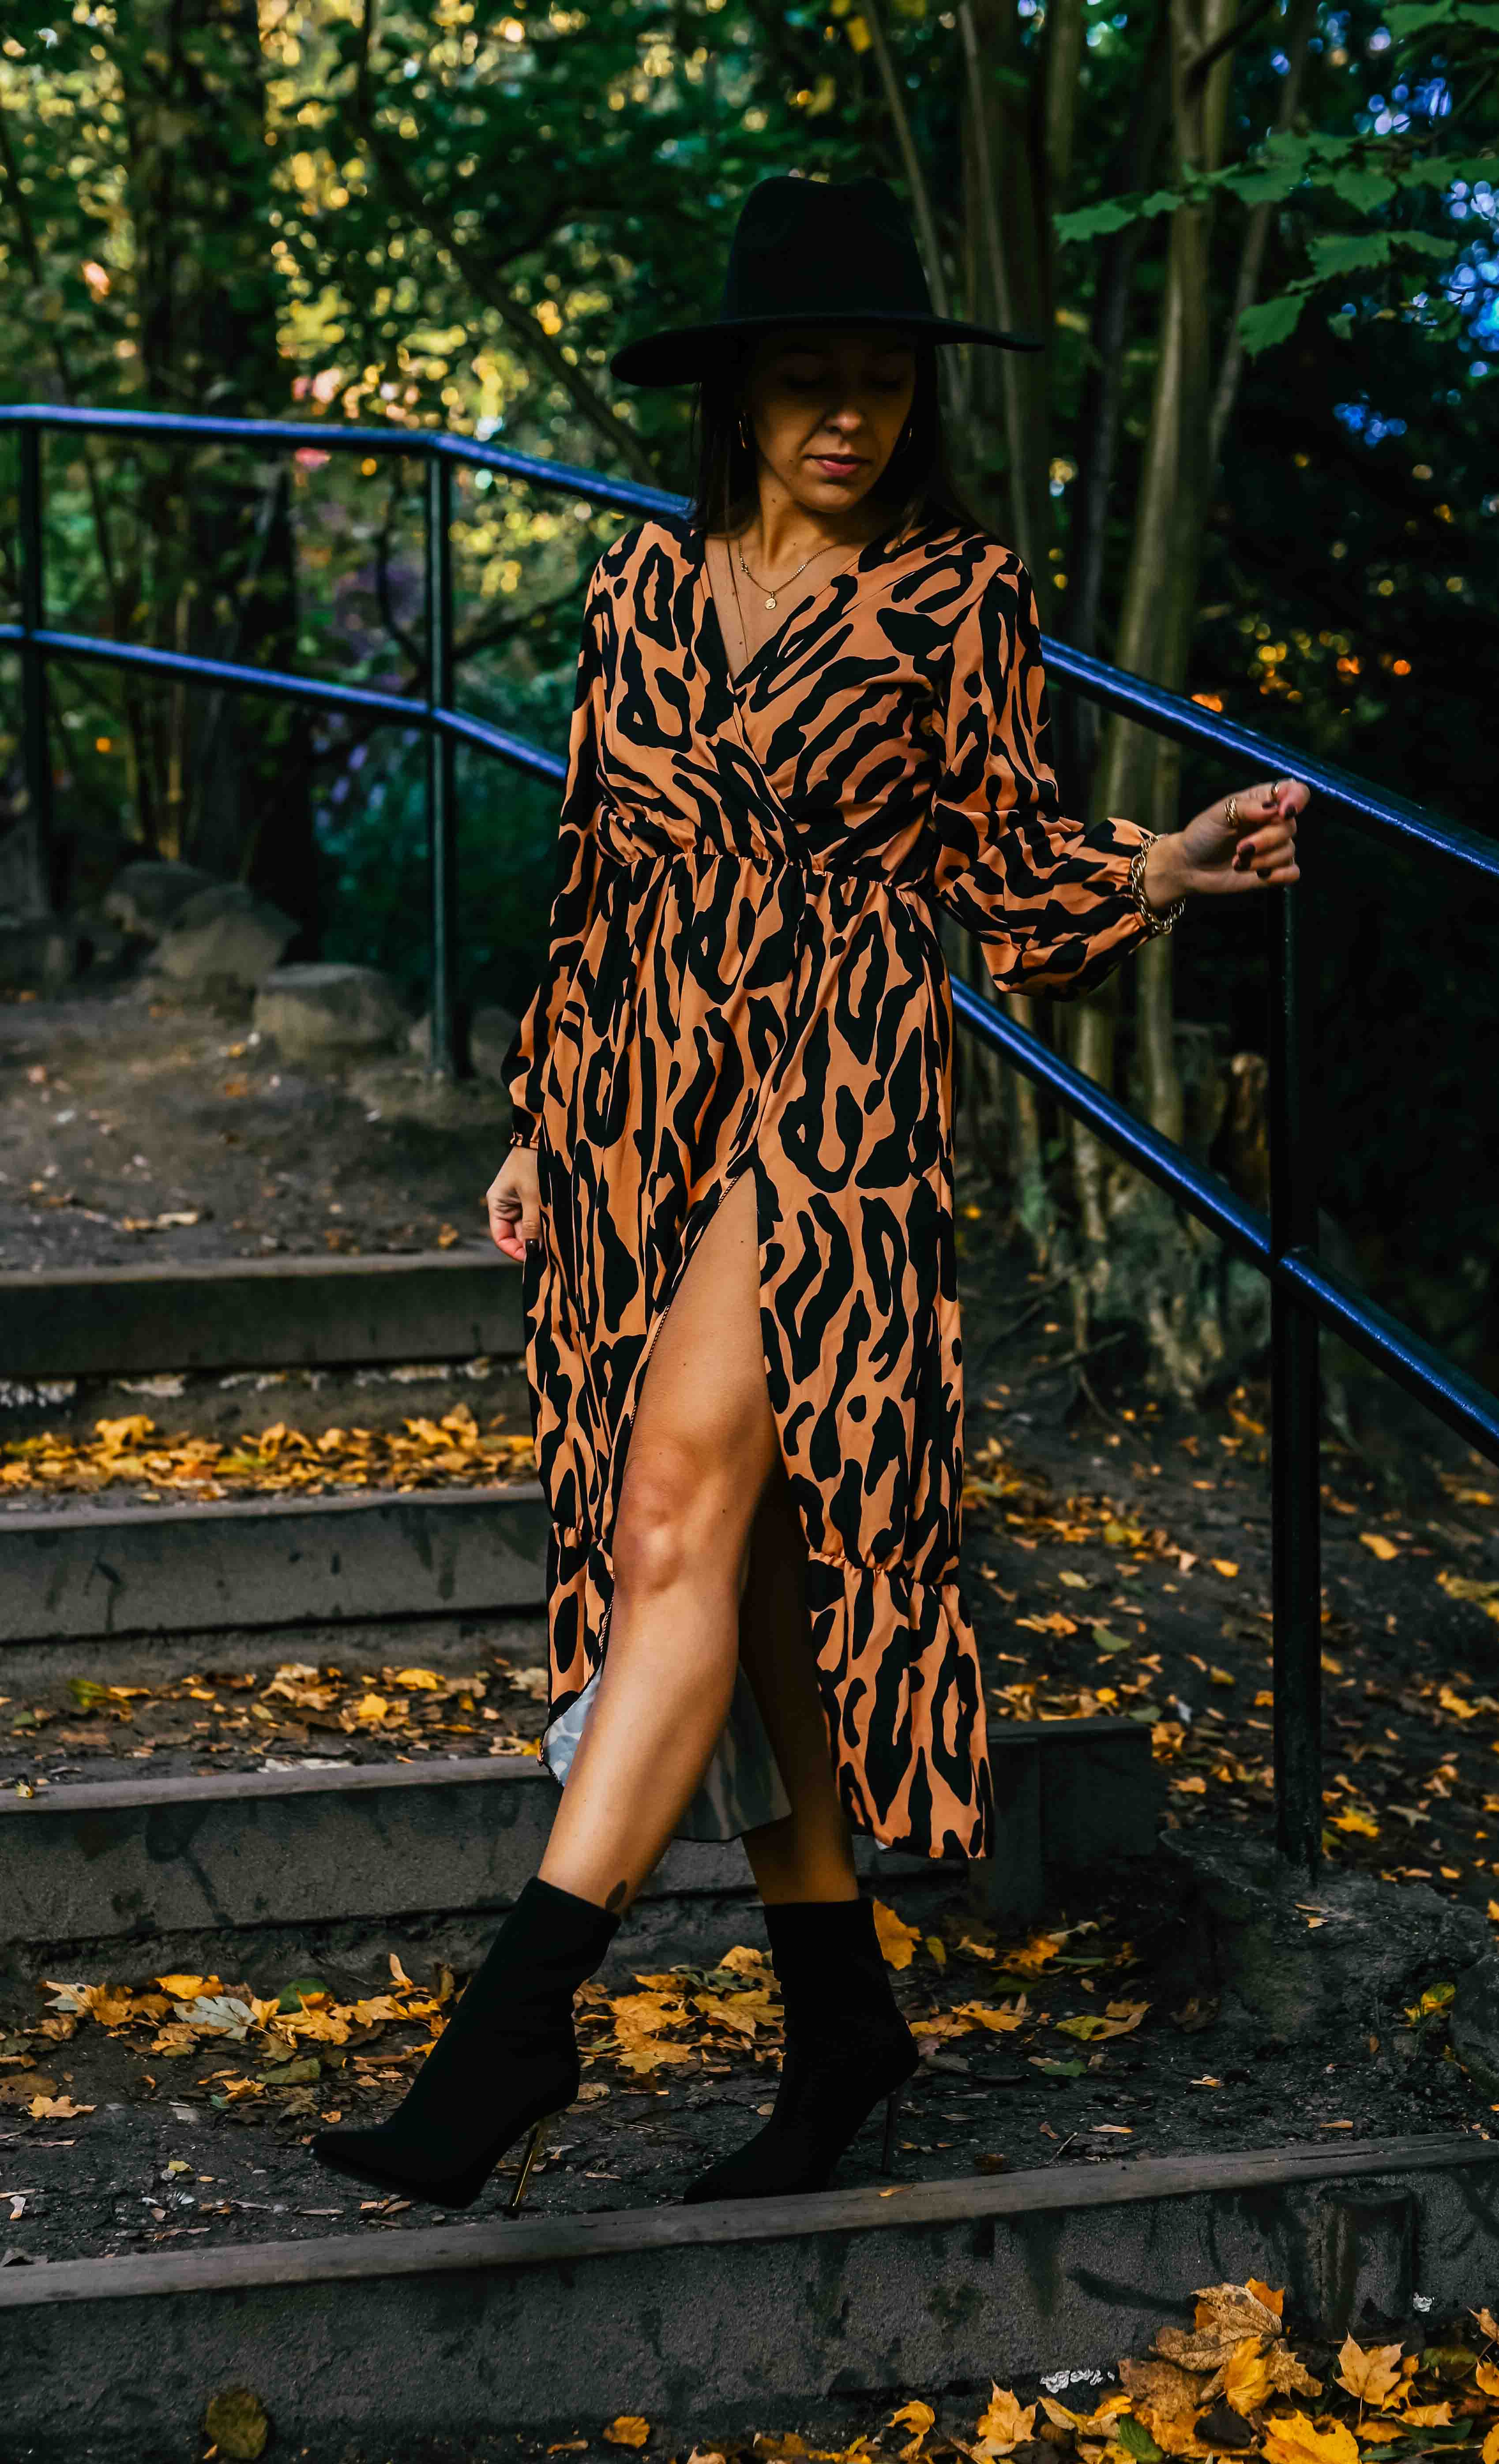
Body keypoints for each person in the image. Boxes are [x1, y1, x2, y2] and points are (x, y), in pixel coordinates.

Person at [313, 173, 1309, 2216]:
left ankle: (515, 2026)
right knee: (741, 1571)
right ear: (741, 398)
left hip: (833, 1085)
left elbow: (1001, 863)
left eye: (877, 382)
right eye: (804, 380)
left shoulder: (957, 595)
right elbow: (592, 875)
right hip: (632, 1098)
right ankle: (842, 2017)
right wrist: (535, 1119)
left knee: (674, 1509)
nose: (845, 415)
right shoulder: (638, 589)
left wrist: (1155, 867)